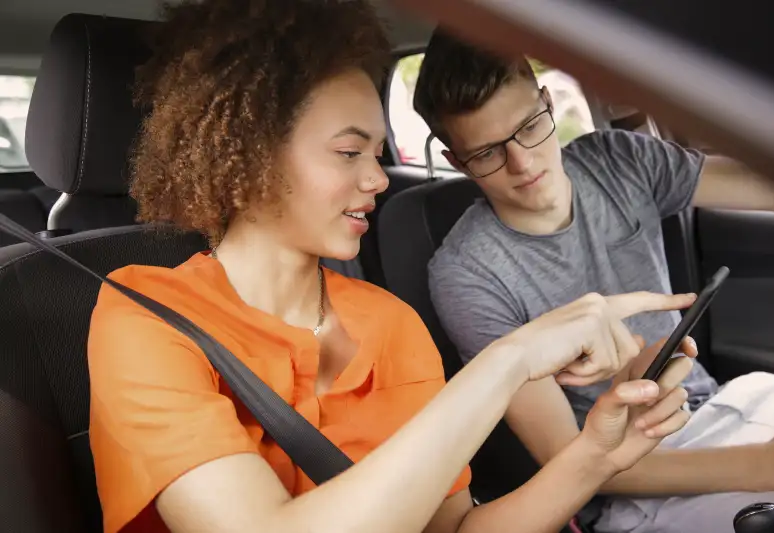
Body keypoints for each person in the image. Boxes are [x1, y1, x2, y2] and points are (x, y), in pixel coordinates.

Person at [85, 2, 698, 533]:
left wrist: (598, 455)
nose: (378, 180)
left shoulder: (390, 323)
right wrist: (508, 362)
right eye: (349, 152)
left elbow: (457, 527)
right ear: (246, 159)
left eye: (377, 154)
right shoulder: (145, 317)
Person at [416, 27, 774, 533]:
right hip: (630, 484)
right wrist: (767, 465)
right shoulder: (465, 274)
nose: (523, 162)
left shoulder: (617, 161)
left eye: (530, 126)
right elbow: (570, 459)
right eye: (487, 153)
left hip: (728, 403)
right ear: (455, 162)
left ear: (548, 103)